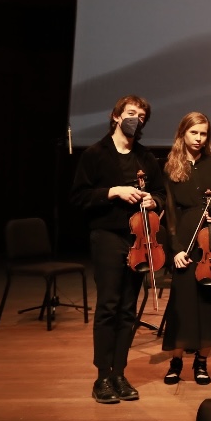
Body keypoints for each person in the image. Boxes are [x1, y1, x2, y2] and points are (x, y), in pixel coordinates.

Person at [70, 95, 166, 404]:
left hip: (139, 239)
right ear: (115, 117)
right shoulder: (96, 154)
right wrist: (113, 191)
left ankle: (120, 373)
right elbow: (79, 197)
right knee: (109, 306)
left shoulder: (145, 157)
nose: (134, 119)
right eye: (130, 113)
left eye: (140, 116)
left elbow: (161, 192)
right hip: (108, 236)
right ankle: (102, 376)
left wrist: (154, 200)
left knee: (128, 310)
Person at [160, 112, 211, 385]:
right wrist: (176, 250)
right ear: (183, 133)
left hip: (210, 241)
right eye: (194, 133)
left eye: (204, 133)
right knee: (181, 303)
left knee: (207, 302)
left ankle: (202, 363)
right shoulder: (171, 166)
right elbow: (169, 214)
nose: (199, 138)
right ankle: (176, 362)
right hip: (183, 239)